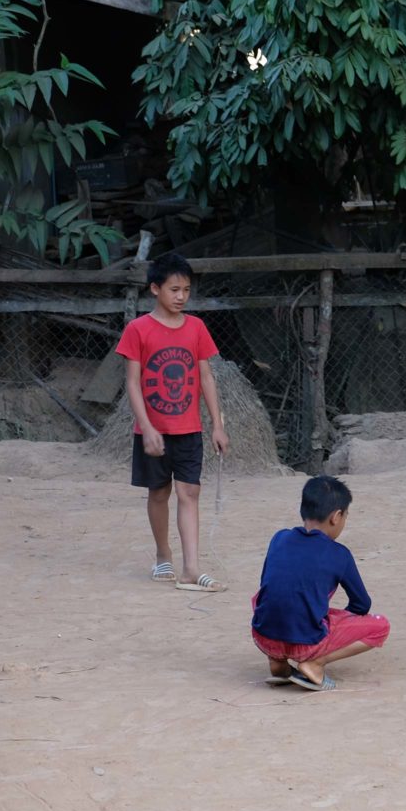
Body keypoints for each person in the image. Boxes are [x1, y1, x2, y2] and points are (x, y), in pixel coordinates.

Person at [115, 252, 229, 592]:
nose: (181, 296)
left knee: (189, 492)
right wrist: (147, 427)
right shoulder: (138, 330)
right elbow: (132, 383)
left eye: (186, 290)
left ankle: (191, 567)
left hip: (189, 429)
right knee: (159, 492)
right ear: (155, 289)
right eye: (174, 289)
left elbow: (206, 377)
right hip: (153, 431)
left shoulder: (196, 328)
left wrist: (217, 424)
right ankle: (163, 554)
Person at [251, 476, 391, 692]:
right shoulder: (339, 554)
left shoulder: (279, 538)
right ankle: (315, 664)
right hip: (306, 642)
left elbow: (268, 585)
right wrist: (338, 620)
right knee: (380, 627)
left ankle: (277, 660)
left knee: (270, 598)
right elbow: (362, 604)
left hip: (263, 636)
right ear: (336, 517)